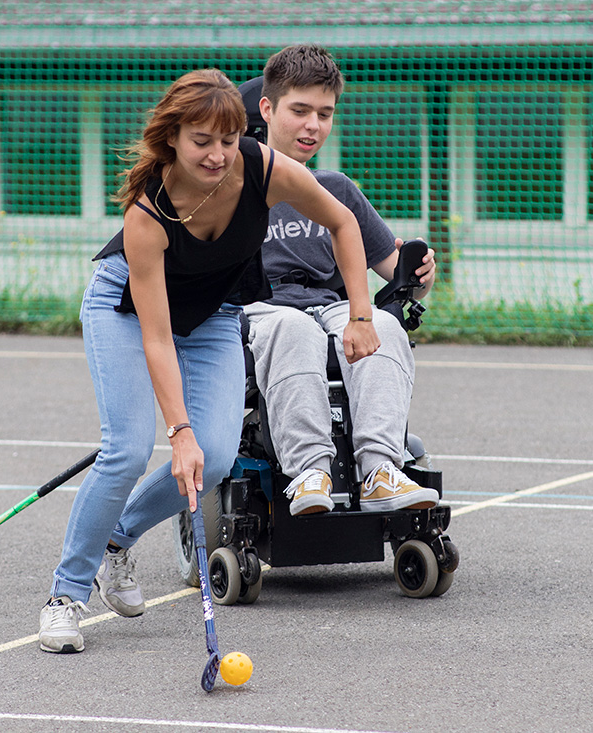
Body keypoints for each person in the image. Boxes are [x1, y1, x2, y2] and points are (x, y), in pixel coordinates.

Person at [40, 68, 380, 653]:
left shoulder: (263, 167)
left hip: (214, 315)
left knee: (217, 458)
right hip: (127, 311)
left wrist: (361, 315)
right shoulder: (147, 216)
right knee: (125, 449)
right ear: (172, 138)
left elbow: (343, 221)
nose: (219, 155)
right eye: (202, 142)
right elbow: (156, 338)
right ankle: (64, 596)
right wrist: (177, 430)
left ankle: (114, 542)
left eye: (227, 140)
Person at [243, 44, 440, 517]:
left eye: (325, 114)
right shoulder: (235, 182)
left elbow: (394, 269)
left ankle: (379, 469)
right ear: (267, 110)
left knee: (385, 326)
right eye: (300, 111)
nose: (313, 125)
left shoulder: (336, 188)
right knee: (293, 329)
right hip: (262, 310)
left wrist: (422, 274)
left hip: (329, 305)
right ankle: (310, 470)